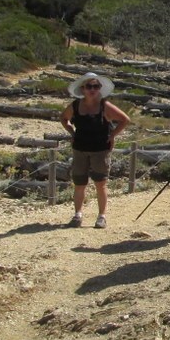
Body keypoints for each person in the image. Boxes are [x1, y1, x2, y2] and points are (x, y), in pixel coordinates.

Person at [60, 72, 131, 229]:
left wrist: (112, 135)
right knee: (79, 184)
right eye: (89, 86)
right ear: (83, 88)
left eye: (96, 86)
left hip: (100, 150)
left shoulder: (104, 106)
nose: (92, 90)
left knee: (101, 183)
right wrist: (72, 133)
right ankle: (78, 215)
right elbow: (63, 118)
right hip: (80, 149)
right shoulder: (75, 105)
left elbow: (125, 119)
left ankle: (102, 216)